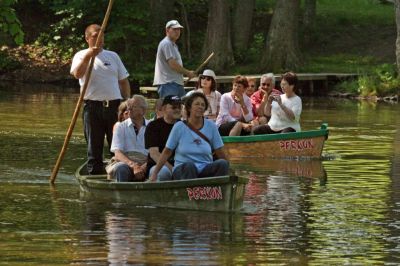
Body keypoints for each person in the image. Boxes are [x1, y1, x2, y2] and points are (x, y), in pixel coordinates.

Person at [70, 24, 130, 175]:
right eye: (96, 36)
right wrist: (89, 56)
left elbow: (123, 81)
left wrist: (127, 101)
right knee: (94, 145)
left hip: (115, 106)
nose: (100, 39)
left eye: (102, 35)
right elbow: (77, 74)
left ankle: (118, 173)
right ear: (87, 38)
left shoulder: (113, 56)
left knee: (117, 143)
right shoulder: (80, 55)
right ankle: (95, 175)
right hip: (92, 106)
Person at [149, 92, 229, 182]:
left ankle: (215, 193)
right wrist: (155, 173)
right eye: (197, 104)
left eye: (203, 105)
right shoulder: (179, 126)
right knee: (190, 166)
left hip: (204, 168)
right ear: (189, 107)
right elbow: (167, 152)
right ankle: (191, 195)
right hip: (183, 169)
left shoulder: (211, 126)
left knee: (222, 164)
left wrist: (230, 170)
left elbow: (220, 152)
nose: (200, 107)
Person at [109, 95, 150, 182]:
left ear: (143, 110)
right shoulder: (120, 126)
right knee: (121, 168)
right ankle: (121, 194)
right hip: (126, 161)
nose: (129, 109)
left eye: (133, 107)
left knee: (160, 171)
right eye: (128, 107)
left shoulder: (152, 126)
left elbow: (157, 152)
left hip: (147, 161)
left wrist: (146, 166)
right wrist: (134, 165)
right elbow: (118, 153)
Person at [153, 20, 196, 98]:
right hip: (168, 84)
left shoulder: (173, 45)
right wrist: (188, 73)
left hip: (175, 83)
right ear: (167, 30)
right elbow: (172, 64)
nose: (177, 31)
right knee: (170, 108)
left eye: (178, 29)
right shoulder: (166, 43)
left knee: (180, 108)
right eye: (174, 29)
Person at [145, 95, 182, 181]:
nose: (177, 110)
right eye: (173, 107)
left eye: (179, 107)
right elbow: (154, 154)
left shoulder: (184, 126)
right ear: (164, 108)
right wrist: (172, 169)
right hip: (158, 165)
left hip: (180, 164)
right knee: (163, 172)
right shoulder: (153, 126)